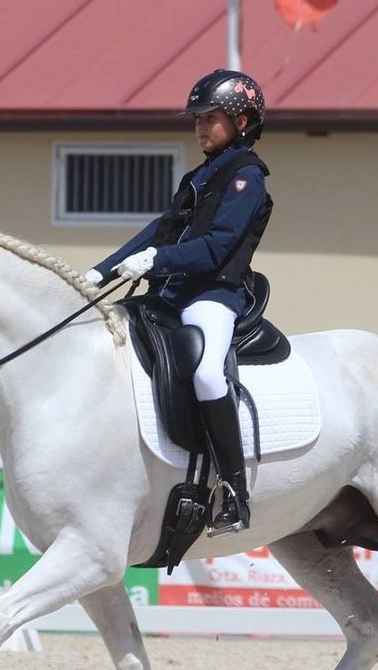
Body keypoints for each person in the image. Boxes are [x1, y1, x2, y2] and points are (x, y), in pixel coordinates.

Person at [85, 69, 273, 536]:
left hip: (214, 293)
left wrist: (156, 260)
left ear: (243, 121)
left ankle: (234, 492)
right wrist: (103, 269)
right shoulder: (199, 176)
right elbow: (159, 231)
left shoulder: (247, 176)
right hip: (170, 293)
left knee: (208, 373)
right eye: (197, 119)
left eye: (211, 118)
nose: (200, 127)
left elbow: (216, 246)